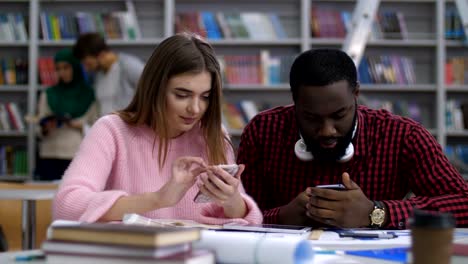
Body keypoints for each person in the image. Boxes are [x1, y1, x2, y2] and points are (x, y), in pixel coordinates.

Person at [238, 48, 468, 229]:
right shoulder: (263, 131)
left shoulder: (403, 136)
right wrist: (281, 216)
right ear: (294, 101)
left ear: (356, 94)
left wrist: (376, 213)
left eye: (339, 115)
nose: (327, 131)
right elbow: (235, 214)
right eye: (311, 117)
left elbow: (464, 204)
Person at [53, 33, 263, 225]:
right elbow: (66, 205)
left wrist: (232, 200)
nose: (195, 108)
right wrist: (158, 199)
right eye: (182, 95)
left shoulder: (213, 134)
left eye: (205, 97)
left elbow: (251, 225)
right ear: (155, 89)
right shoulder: (111, 131)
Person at [36, 48, 97, 181]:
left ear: (75, 67)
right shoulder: (49, 94)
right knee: (47, 199)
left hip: (76, 155)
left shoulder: (89, 95)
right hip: (49, 154)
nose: (62, 73)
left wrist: (79, 125)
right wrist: (45, 128)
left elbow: (97, 130)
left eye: (66, 67)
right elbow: (38, 126)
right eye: (58, 69)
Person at [72, 32, 144, 116]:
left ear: (101, 55)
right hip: (105, 126)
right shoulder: (98, 74)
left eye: (88, 64)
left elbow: (152, 96)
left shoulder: (131, 67)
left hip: (126, 127)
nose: (86, 69)